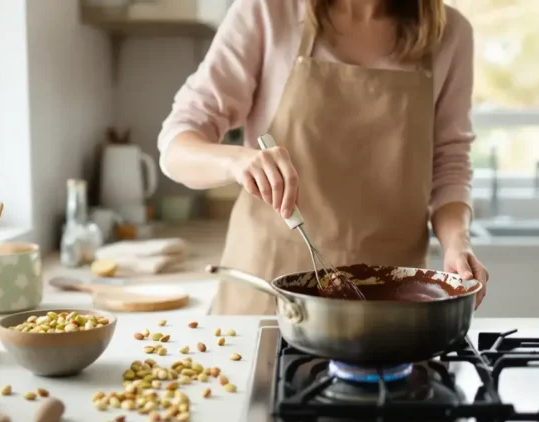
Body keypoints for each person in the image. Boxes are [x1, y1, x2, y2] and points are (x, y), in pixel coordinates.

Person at [158, 0, 489, 315]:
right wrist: (237, 162)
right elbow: (177, 144)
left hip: (390, 305)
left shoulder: (450, 33)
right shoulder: (270, 11)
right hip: (266, 293)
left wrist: (457, 244)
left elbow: (450, 167)